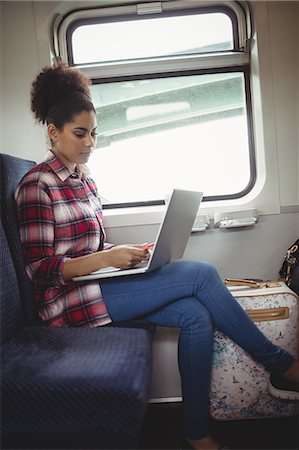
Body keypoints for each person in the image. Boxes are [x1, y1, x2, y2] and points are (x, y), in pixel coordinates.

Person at [15, 62, 299, 450]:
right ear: (53, 131)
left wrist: (125, 254)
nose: (90, 143)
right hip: (65, 302)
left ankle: (196, 431)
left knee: (196, 316)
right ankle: (281, 364)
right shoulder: (36, 185)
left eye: (95, 133)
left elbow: (91, 247)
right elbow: (39, 270)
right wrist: (105, 262)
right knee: (199, 274)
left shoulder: (86, 180)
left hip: (96, 285)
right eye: (80, 134)